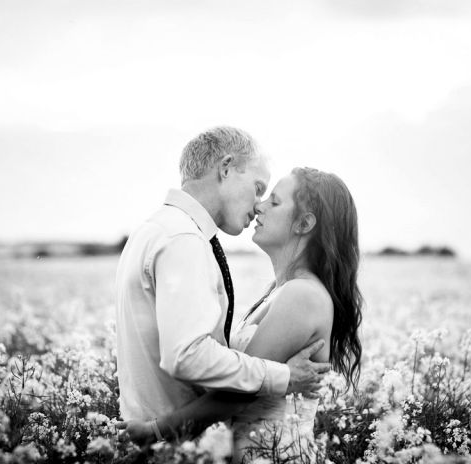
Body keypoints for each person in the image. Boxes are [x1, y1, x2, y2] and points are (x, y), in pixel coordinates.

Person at [123, 166, 364, 463]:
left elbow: (239, 393)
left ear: (304, 223)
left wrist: (156, 433)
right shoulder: (278, 290)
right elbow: (241, 375)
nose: (259, 206)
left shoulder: (302, 296)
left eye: (274, 201)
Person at [114, 127, 330, 429]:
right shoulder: (182, 238)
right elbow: (187, 355)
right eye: (257, 187)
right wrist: (284, 376)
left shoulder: (156, 229)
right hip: (172, 446)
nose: (258, 205)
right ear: (226, 168)